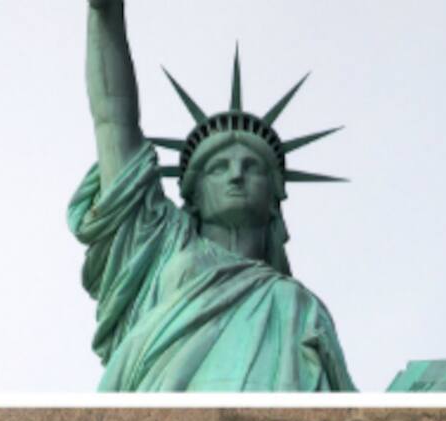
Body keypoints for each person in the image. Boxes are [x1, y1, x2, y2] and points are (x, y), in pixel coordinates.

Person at [71, 0, 356, 391]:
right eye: (219, 167)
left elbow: (345, 415)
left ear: (275, 198)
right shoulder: (160, 245)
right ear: (194, 194)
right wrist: (105, 14)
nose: (236, 175)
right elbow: (112, 117)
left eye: (252, 167)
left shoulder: (299, 306)